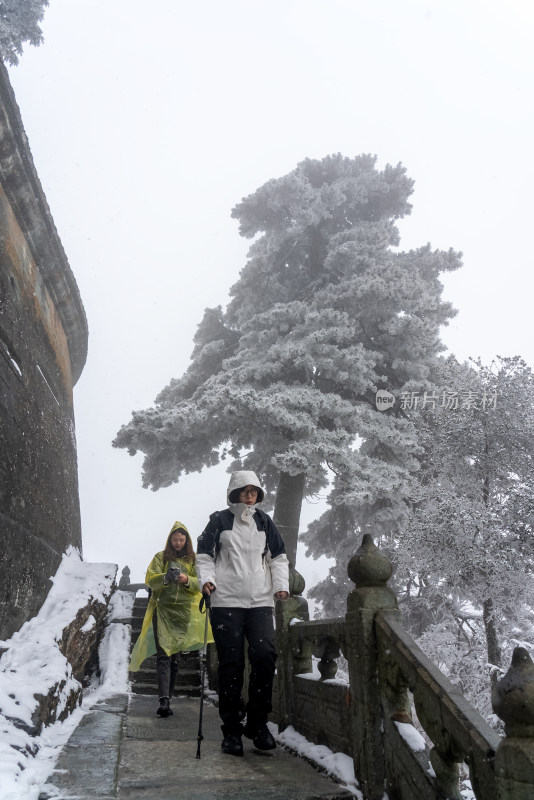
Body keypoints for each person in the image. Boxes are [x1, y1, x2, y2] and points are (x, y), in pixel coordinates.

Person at [196, 470, 289, 756]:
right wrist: (207, 580)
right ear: (234, 492)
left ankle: (258, 723)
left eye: (254, 491)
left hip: (260, 600)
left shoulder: (264, 521)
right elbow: (204, 555)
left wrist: (281, 586)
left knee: (264, 657)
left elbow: (279, 557)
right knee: (231, 665)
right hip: (226, 602)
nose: (249, 496)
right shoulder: (220, 520)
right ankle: (232, 730)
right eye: (244, 490)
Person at [129, 521, 213, 717]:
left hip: (183, 613)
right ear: (169, 540)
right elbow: (151, 578)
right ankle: (164, 700)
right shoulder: (161, 557)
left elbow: (199, 582)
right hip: (163, 611)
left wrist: (186, 580)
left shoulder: (193, 560)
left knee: (175, 658)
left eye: (181, 540)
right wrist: (166, 578)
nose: (178, 543)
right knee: (163, 655)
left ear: (187, 541)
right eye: (174, 539)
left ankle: (169, 696)